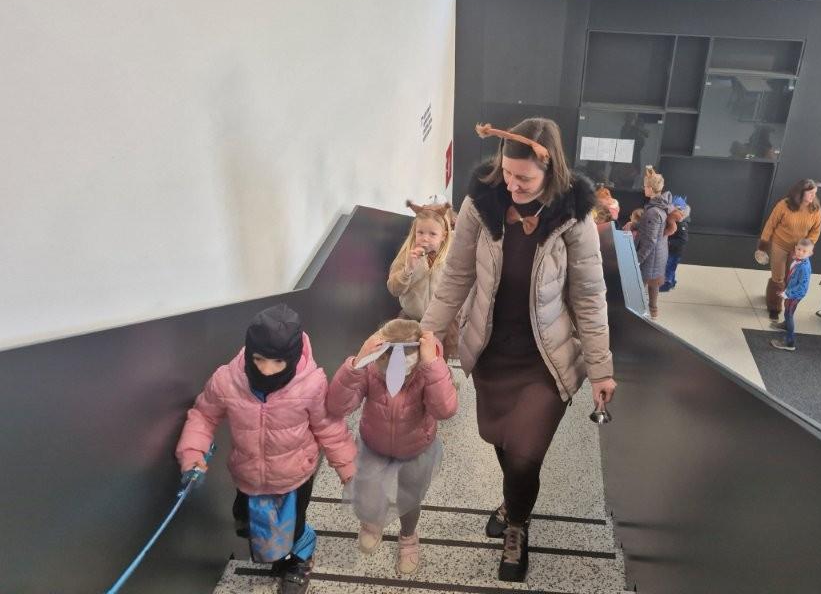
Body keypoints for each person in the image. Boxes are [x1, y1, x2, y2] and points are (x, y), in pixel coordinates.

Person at [418, 119, 615, 583]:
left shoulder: (574, 216)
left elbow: (589, 296)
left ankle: (517, 526)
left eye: (524, 178)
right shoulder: (481, 204)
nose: (513, 185)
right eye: (507, 173)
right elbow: (457, 275)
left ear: (550, 170)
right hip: (492, 351)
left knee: (526, 453)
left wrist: (601, 367)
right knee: (502, 441)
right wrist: (427, 332)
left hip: (545, 357)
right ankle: (513, 500)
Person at [176, 305, 356, 594]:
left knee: (292, 528)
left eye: (278, 362)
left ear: (292, 358)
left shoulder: (310, 384)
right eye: (259, 359)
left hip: (294, 476)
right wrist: (193, 453)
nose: (266, 370)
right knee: (249, 522)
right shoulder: (228, 380)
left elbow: (329, 426)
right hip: (248, 475)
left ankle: (299, 560)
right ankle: (279, 553)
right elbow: (204, 415)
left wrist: (347, 468)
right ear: (249, 352)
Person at [327, 319, 457, 574]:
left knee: (410, 497)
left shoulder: (427, 371)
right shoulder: (371, 369)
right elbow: (337, 406)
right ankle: (371, 522)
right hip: (374, 445)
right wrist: (356, 365)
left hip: (415, 449)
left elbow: (445, 410)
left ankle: (408, 535)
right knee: (368, 490)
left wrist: (432, 365)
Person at [387, 199, 456, 359]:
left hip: (442, 324)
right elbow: (394, 289)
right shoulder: (407, 255)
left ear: (443, 236)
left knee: (436, 361)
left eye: (432, 234)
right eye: (421, 233)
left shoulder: (451, 257)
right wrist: (408, 269)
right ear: (414, 233)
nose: (425, 238)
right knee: (408, 361)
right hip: (412, 320)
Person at [757, 179, 821, 321]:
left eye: (815, 193)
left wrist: (806, 247)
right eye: (810, 193)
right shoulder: (784, 205)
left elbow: (815, 231)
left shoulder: (815, 209)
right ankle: (774, 307)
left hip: (798, 250)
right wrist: (762, 246)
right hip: (780, 245)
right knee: (778, 278)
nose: (813, 196)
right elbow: (770, 225)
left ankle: (773, 295)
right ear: (800, 193)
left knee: (789, 278)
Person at [635, 166, 673, 318]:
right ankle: (653, 312)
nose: (643, 189)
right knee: (654, 284)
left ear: (650, 189)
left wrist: (638, 259)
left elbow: (650, 240)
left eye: (645, 186)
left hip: (651, 256)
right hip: (660, 252)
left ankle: (638, 314)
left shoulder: (652, 212)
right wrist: (635, 225)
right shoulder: (662, 205)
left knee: (638, 286)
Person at [770, 238, 813, 351]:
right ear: (795, 248)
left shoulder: (804, 267)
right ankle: (785, 325)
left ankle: (789, 343)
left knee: (789, 315)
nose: (800, 252)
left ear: (810, 253)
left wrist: (787, 293)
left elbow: (802, 286)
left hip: (794, 295)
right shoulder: (798, 260)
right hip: (791, 291)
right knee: (788, 312)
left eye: (804, 251)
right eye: (799, 249)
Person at [660, 196, 690, 293]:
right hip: (670, 250)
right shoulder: (673, 221)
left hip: (675, 252)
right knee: (670, 266)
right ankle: (672, 281)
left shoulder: (682, 225)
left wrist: (669, 243)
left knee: (669, 267)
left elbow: (683, 240)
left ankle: (666, 284)